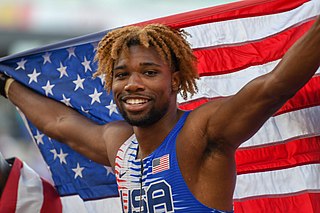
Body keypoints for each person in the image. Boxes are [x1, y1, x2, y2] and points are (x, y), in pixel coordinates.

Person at [0, 16, 319, 212]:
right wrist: (6, 85)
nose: (133, 84)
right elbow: (60, 123)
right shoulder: (119, 144)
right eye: (122, 75)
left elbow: (274, 87)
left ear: (175, 80)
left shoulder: (200, 131)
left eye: (149, 73)